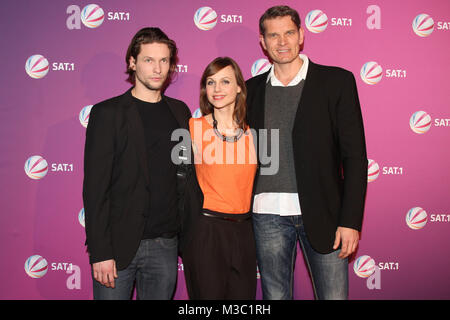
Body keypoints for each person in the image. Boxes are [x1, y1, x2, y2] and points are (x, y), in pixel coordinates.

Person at [246, 5, 368, 300]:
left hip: (324, 212)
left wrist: (350, 221)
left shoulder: (336, 82)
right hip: (267, 215)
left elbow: (354, 157)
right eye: (273, 35)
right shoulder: (249, 90)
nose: (282, 42)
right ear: (263, 42)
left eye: (289, 32)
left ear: (301, 35)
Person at [82, 27, 191, 300]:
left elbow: (185, 174)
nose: (157, 68)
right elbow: (95, 189)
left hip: (165, 244)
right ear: (132, 62)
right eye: (148, 60)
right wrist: (101, 253)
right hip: (117, 248)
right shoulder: (107, 113)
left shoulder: (180, 112)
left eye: (164, 60)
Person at [181, 57, 258, 299]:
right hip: (206, 231)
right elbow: (177, 185)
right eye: (211, 82)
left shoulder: (254, 133)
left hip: (245, 232)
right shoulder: (192, 128)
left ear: (238, 88)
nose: (217, 89)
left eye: (225, 81)